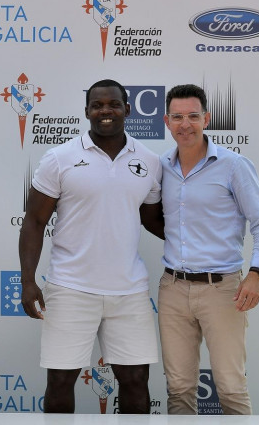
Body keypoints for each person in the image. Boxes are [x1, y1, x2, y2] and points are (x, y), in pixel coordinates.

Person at [19, 79, 164, 413]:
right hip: (71, 288)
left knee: (135, 382)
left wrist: (199, 242)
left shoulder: (150, 161)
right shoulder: (60, 158)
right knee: (59, 383)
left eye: (113, 104)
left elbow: (153, 220)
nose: (105, 111)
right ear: (86, 112)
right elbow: (34, 222)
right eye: (97, 105)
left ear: (127, 109)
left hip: (129, 291)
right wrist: (28, 281)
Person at [158, 84, 259, 415]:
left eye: (193, 116)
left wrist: (256, 272)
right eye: (178, 117)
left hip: (223, 290)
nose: (186, 124)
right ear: (167, 122)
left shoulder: (234, 166)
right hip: (172, 289)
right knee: (179, 389)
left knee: (230, 386)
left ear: (207, 119)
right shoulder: (161, 168)